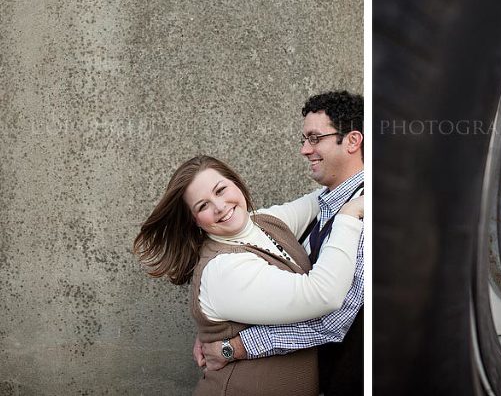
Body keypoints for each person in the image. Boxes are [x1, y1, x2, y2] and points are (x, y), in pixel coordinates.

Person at [134, 154, 364, 396]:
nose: (220, 206)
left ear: (236, 183)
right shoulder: (223, 270)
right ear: (195, 221)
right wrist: (348, 216)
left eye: (221, 190)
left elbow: (329, 196)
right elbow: (324, 296)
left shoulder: (263, 223)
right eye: (203, 205)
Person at [197, 90, 365, 396]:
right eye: (303, 139)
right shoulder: (329, 202)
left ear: (353, 141)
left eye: (315, 138)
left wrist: (233, 347)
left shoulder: (363, 214)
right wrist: (219, 327)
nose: (304, 149)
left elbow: (334, 318)